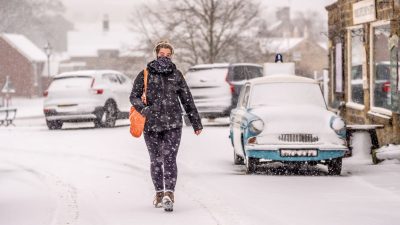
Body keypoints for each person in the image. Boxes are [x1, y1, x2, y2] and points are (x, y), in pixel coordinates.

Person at [129, 40, 203, 212]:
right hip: (151, 125)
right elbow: (134, 96)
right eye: (162, 54)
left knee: (169, 159)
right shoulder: (145, 74)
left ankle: (169, 194)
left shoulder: (176, 75)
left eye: (168, 55)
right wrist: (144, 109)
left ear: (172, 56)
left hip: (173, 124)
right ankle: (159, 193)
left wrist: (196, 123)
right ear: (156, 54)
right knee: (156, 160)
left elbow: (187, 100)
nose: (164, 57)